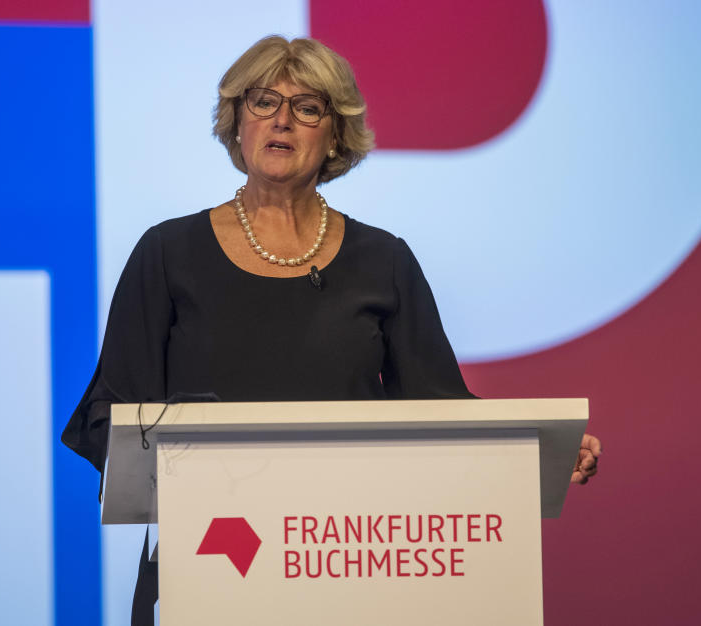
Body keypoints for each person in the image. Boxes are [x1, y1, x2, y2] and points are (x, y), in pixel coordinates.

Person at [62, 35, 601, 625]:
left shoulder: (384, 260)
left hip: (345, 563)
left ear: (336, 135)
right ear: (236, 122)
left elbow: (443, 412)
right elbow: (112, 413)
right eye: (263, 101)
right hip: (214, 562)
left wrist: (539, 451)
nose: (282, 120)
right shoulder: (168, 252)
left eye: (308, 107)